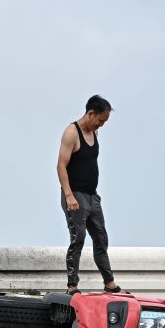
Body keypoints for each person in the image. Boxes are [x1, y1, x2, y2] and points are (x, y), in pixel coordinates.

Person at [57, 94, 120, 295]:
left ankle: (109, 282)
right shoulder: (71, 133)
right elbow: (61, 166)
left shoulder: (94, 133)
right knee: (79, 238)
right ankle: (72, 285)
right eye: (100, 120)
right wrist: (68, 196)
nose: (101, 125)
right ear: (91, 113)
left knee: (101, 238)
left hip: (93, 196)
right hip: (75, 196)